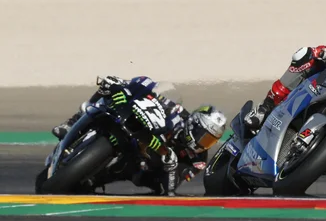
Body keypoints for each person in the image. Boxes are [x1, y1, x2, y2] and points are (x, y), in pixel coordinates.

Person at [51, 75, 227, 195]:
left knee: (134, 174)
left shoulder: (198, 160)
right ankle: (72, 122)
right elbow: (155, 97)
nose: (205, 143)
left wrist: (169, 167)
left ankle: (93, 179)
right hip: (137, 132)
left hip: (147, 167)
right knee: (111, 89)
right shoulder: (178, 113)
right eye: (204, 136)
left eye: (211, 141)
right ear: (194, 125)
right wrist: (132, 88)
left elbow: (170, 187)